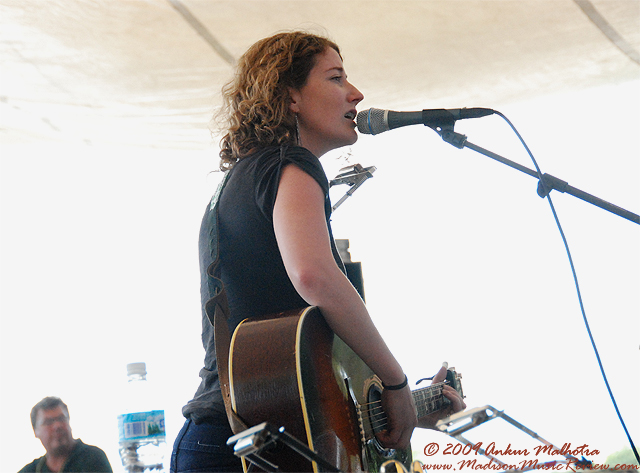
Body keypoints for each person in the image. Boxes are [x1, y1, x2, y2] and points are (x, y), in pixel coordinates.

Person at [171, 31, 466, 472]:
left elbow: (303, 387)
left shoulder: (239, 183)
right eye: (336, 78)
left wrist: (402, 408)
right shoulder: (293, 163)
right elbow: (314, 277)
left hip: (224, 440)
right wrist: (396, 380)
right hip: (253, 450)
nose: (356, 93)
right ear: (291, 97)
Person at [19, 396, 113, 473]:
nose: (57, 426)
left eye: (61, 419)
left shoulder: (92, 458)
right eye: (48, 422)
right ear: (35, 431)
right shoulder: (31, 470)